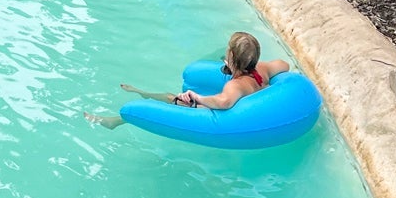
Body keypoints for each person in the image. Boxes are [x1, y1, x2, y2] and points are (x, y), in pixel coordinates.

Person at [86, 32, 290, 129]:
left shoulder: (235, 85)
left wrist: (196, 97)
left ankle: (116, 120)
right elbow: (284, 65)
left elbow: (223, 102)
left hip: (226, 116)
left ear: (232, 60)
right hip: (250, 106)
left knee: (173, 99)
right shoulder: (263, 69)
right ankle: (143, 93)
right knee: (173, 97)